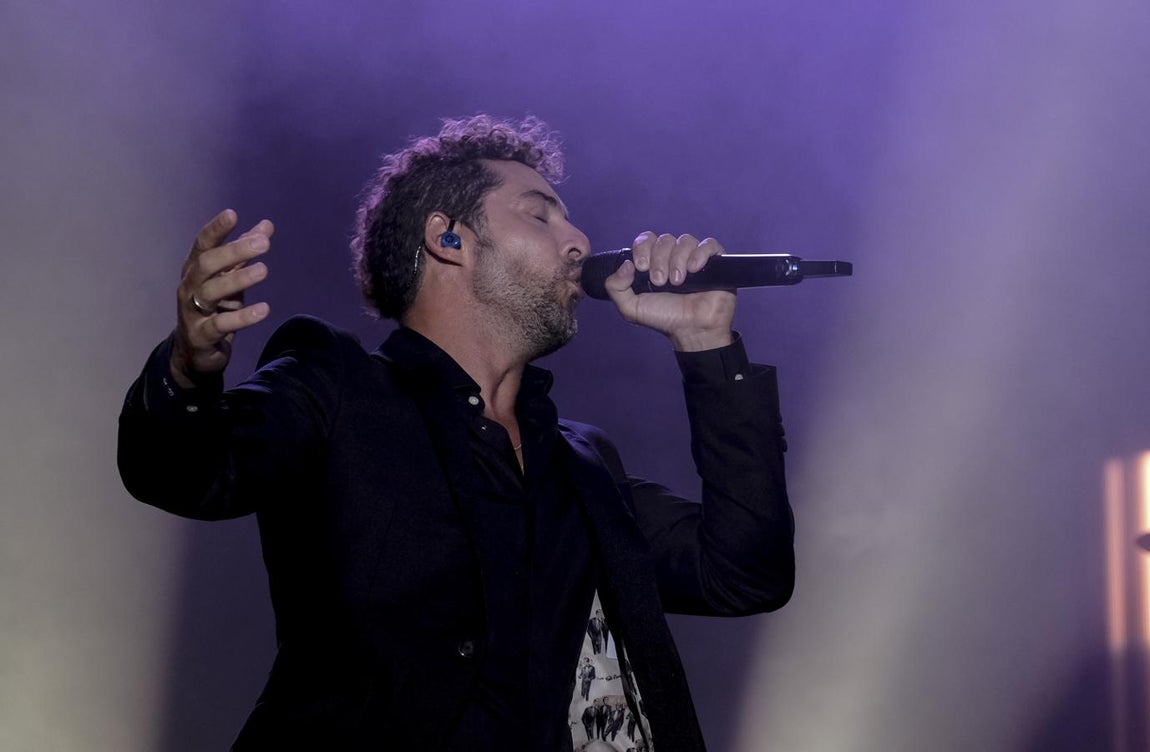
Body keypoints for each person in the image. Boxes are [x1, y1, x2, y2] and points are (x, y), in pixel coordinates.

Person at [117, 115, 795, 751]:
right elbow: (182, 468)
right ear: (449, 238)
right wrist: (188, 367)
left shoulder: (583, 465)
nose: (580, 242)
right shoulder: (337, 390)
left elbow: (742, 574)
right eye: (540, 213)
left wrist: (707, 342)